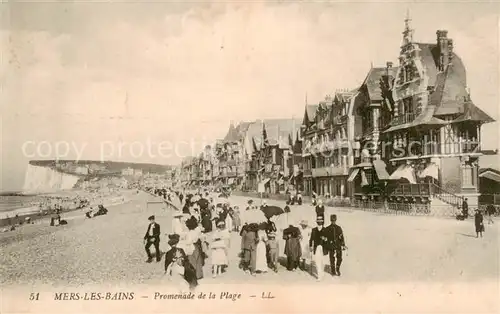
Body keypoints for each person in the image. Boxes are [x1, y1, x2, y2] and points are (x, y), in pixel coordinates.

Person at [309, 216, 328, 281]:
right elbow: (311, 239)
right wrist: (311, 246)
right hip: (316, 247)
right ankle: (319, 276)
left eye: (320, 222)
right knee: (317, 262)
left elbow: (328, 239)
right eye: (318, 222)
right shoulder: (313, 230)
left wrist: (325, 239)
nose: (319, 223)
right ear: (317, 222)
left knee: (323, 262)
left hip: (323, 248)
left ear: (322, 222)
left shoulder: (325, 229)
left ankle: (322, 273)